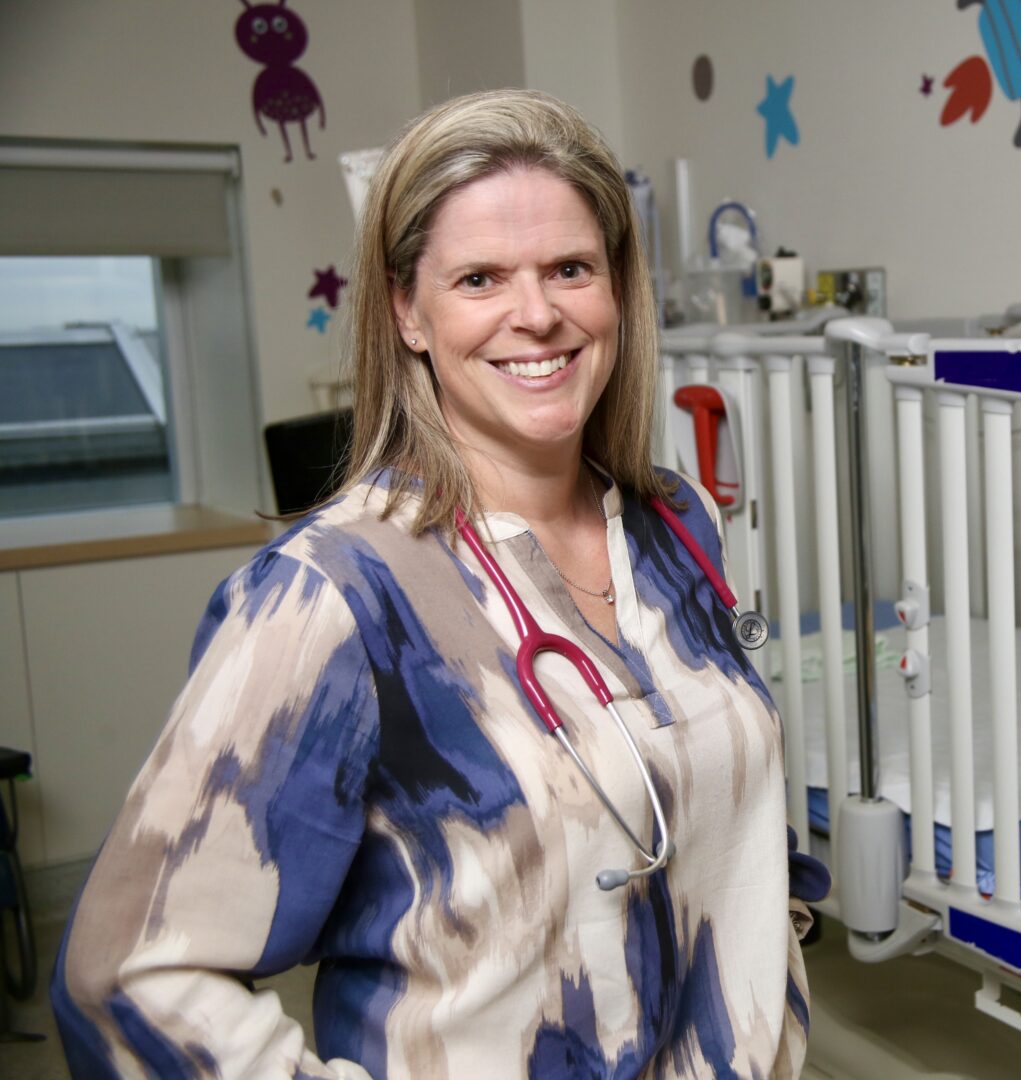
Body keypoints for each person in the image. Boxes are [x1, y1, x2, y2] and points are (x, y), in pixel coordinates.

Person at [51, 88, 827, 1078]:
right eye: (480, 278)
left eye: (570, 269)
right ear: (408, 311)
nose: (537, 313)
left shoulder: (675, 524)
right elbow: (127, 980)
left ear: (618, 292)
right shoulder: (334, 593)